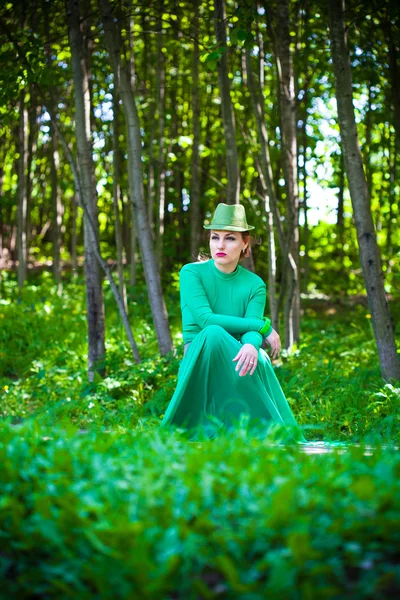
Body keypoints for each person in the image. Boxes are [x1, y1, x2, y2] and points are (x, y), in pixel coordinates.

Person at [160, 203, 305, 442]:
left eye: (230, 238)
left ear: (245, 244)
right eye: (215, 237)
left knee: (259, 355)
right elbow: (206, 320)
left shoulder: (255, 284)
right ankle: (200, 427)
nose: (220, 245)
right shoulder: (191, 273)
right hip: (199, 358)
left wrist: (251, 344)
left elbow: (251, 326)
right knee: (215, 333)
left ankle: (261, 433)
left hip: (237, 359)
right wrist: (262, 327)